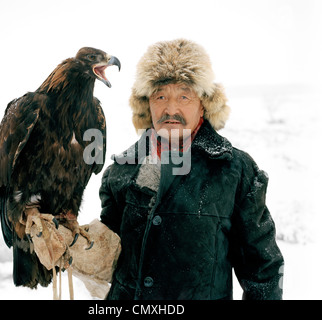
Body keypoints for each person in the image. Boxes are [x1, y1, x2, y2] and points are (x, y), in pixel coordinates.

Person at [99, 39, 284, 300]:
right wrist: (75, 244)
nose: (170, 109)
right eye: (160, 96)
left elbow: (263, 271)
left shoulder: (236, 171)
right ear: (146, 104)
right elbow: (108, 253)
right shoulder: (121, 171)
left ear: (203, 104)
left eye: (184, 96)